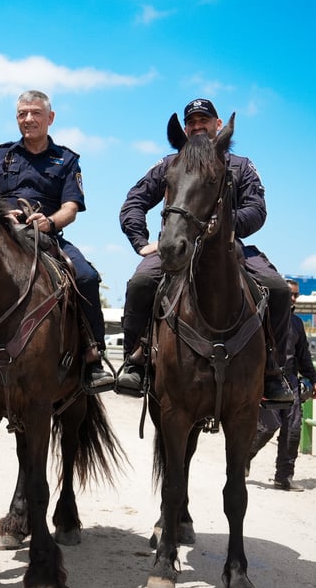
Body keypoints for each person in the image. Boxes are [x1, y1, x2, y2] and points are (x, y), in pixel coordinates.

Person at [0, 89, 116, 395]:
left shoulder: (67, 160)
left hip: (47, 237)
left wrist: (50, 221)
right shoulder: (2, 155)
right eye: (22, 114)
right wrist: (3, 214)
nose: (28, 119)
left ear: (50, 118)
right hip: (2, 237)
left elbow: (71, 207)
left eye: (35, 113)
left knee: (86, 276)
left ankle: (92, 358)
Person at [114, 97, 295, 406]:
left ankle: (273, 370)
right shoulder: (169, 164)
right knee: (140, 284)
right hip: (177, 245)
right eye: (192, 122)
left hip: (227, 246)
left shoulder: (241, 165)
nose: (198, 126)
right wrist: (141, 242)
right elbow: (134, 202)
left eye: (204, 121)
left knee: (277, 289)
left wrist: (225, 226)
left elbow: (257, 208)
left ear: (218, 125)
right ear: (185, 129)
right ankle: (137, 359)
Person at [250, 280, 316, 490]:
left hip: (290, 380)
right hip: (265, 379)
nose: (292, 298)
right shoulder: (262, 318)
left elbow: (303, 356)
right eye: (289, 294)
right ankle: (245, 456)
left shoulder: (297, 323)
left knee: (292, 430)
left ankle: (284, 477)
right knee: (268, 426)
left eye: (295, 295)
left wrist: (314, 379)